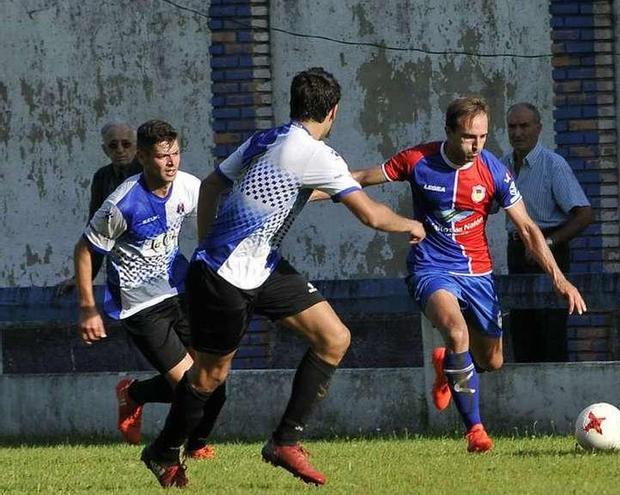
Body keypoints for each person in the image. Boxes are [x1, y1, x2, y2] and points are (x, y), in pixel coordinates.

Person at [140, 67, 425, 488]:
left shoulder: (269, 139)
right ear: (333, 110)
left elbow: (213, 184)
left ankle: (285, 441)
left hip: (261, 265)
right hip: (225, 277)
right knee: (209, 376)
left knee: (334, 338)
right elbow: (370, 215)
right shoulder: (317, 154)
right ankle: (162, 451)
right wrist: (410, 225)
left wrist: (204, 241)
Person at [351, 96, 587, 453]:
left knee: (492, 361)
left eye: (482, 137)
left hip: (477, 273)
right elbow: (359, 179)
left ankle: (449, 364)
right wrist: (309, 189)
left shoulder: (493, 170)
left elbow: (526, 228)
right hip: (431, 268)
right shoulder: (419, 160)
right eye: (467, 137)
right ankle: (475, 431)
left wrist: (558, 277)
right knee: (456, 332)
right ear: (448, 131)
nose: (476, 145)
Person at [75, 120, 223, 458]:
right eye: (161, 157)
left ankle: (140, 398)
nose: (171, 163)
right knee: (191, 385)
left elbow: (214, 219)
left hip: (179, 290)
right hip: (139, 304)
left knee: (212, 377)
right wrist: (87, 307)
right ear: (142, 157)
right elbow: (85, 249)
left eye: (175, 153)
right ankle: (175, 444)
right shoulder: (122, 204)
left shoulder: (188, 186)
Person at [502, 102, 593, 362]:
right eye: (512, 127)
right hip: (518, 250)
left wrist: (549, 242)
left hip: (550, 248)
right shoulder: (503, 165)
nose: (518, 133)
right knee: (521, 327)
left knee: (550, 329)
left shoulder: (553, 165)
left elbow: (585, 214)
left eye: (524, 126)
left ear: (538, 129)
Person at [58, 122, 142, 293]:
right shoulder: (102, 177)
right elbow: (95, 232)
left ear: (136, 147)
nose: (120, 150)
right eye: (113, 145)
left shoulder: (148, 173)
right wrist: (82, 278)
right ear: (105, 150)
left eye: (126, 144)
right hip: (119, 264)